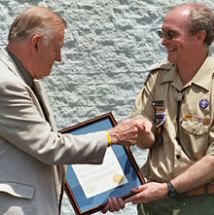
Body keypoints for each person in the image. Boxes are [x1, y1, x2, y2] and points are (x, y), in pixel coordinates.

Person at [0, 6, 149, 215]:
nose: (59, 58)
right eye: (57, 48)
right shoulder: (7, 83)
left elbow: (41, 149)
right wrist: (111, 136)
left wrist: (98, 196)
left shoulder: (26, 80)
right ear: (36, 43)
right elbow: (49, 147)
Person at [103, 3, 214, 215]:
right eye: (162, 33)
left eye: (171, 34)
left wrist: (168, 189)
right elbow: (146, 139)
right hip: (155, 205)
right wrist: (142, 130)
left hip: (203, 205)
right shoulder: (158, 79)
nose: (163, 41)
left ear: (200, 37)